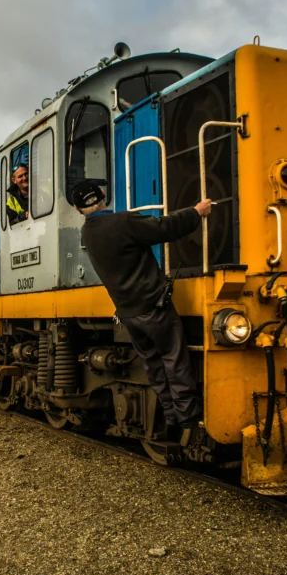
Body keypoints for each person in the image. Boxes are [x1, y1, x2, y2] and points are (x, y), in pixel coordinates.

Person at [71, 179, 213, 445]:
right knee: (174, 358)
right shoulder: (122, 222)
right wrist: (196, 212)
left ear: (78, 210)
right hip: (153, 307)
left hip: (128, 314)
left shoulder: (87, 233)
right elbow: (164, 228)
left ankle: (170, 416)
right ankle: (188, 420)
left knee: (154, 364)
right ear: (103, 196)